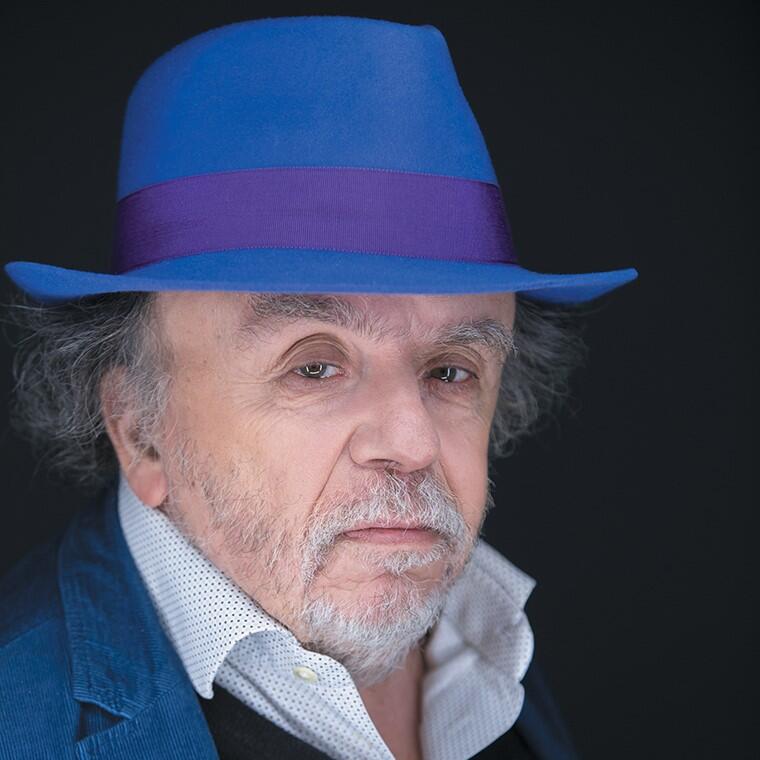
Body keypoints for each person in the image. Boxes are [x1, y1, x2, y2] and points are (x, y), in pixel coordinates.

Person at [0, 16, 637, 760]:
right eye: (313, 367)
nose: (413, 444)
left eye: (450, 371)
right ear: (139, 427)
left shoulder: (484, 639)